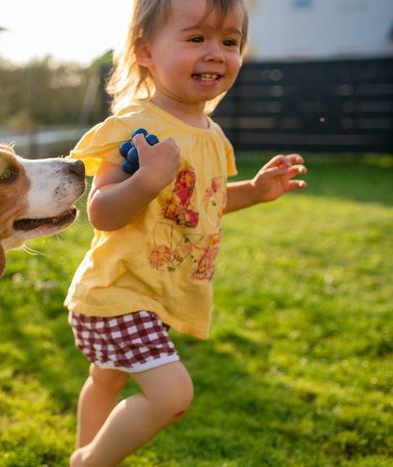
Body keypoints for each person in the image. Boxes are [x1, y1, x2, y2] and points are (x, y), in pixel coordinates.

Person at [65, 0, 308, 465]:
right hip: (118, 290)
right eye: (196, 38)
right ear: (145, 51)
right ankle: (88, 462)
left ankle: (83, 451)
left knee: (107, 379)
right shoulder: (134, 128)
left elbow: (206, 202)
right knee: (171, 394)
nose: (216, 52)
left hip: (151, 293)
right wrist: (146, 181)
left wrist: (254, 192)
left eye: (229, 41)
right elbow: (101, 212)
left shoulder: (213, 136)